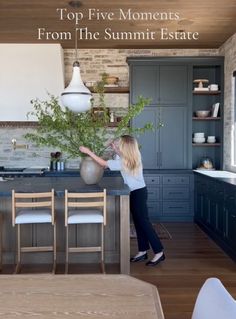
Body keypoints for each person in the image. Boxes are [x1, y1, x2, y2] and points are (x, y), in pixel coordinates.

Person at [79, 135, 165, 266]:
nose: (118, 146)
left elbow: (103, 164)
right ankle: (143, 251)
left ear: (126, 147)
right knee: (138, 223)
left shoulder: (126, 161)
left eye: (120, 145)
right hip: (136, 192)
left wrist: (88, 152)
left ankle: (159, 252)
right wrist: (114, 149)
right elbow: (118, 157)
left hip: (139, 193)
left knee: (144, 223)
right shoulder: (131, 157)